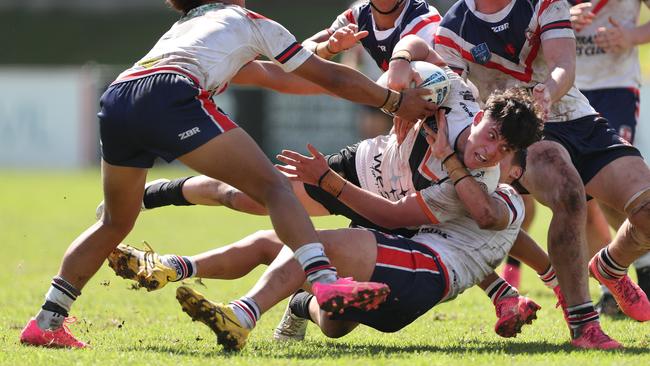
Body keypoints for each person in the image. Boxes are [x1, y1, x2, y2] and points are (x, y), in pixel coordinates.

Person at [18, 0, 439, 349]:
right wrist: (392, 101)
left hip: (119, 97)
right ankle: (326, 283)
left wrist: (328, 52)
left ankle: (47, 320)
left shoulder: (190, 26)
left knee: (115, 221)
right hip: (171, 95)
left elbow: (278, 76)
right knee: (275, 187)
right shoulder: (247, 20)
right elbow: (320, 75)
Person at [108, 100, 546, 351]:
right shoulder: (456, 110)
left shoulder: (494, 194)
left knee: (307, 243)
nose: (490, 154)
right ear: (478, 118)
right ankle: (177, 264)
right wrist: (402, 96)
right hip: (387, 227)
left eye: (504, 153)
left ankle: (243, 312)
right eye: (491, 138)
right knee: (327, 311)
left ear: (513, 174)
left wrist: (328, 181)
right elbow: (412, 61)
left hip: (416, 263)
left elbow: (476, 221)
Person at [434, 0, 650, 349]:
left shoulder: (545, 3)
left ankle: (611, 264)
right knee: (569, 194)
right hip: (518, 132)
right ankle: (584, 327)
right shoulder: (452, 29)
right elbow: (456, 100)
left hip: (573, 113)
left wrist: (547, 93)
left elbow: (564, 64)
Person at [568, 0, 650, 317]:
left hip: (616, 85)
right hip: (566, 87)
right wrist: (559, 19)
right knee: (583, 196)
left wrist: (632, 36)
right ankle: (611, 287)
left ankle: (636, 267)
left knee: (615, 189)